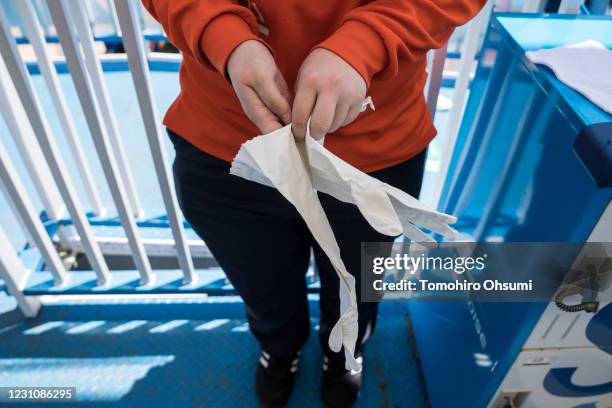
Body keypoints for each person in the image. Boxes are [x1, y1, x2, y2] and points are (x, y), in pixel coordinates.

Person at [142, 1, 485, 406]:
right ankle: (279, 348)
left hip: (373, 149)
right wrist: (223, 34)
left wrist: (367, 42)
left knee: (357, 288)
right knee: (261, 285)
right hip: (230, 143)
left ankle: (343, 356)